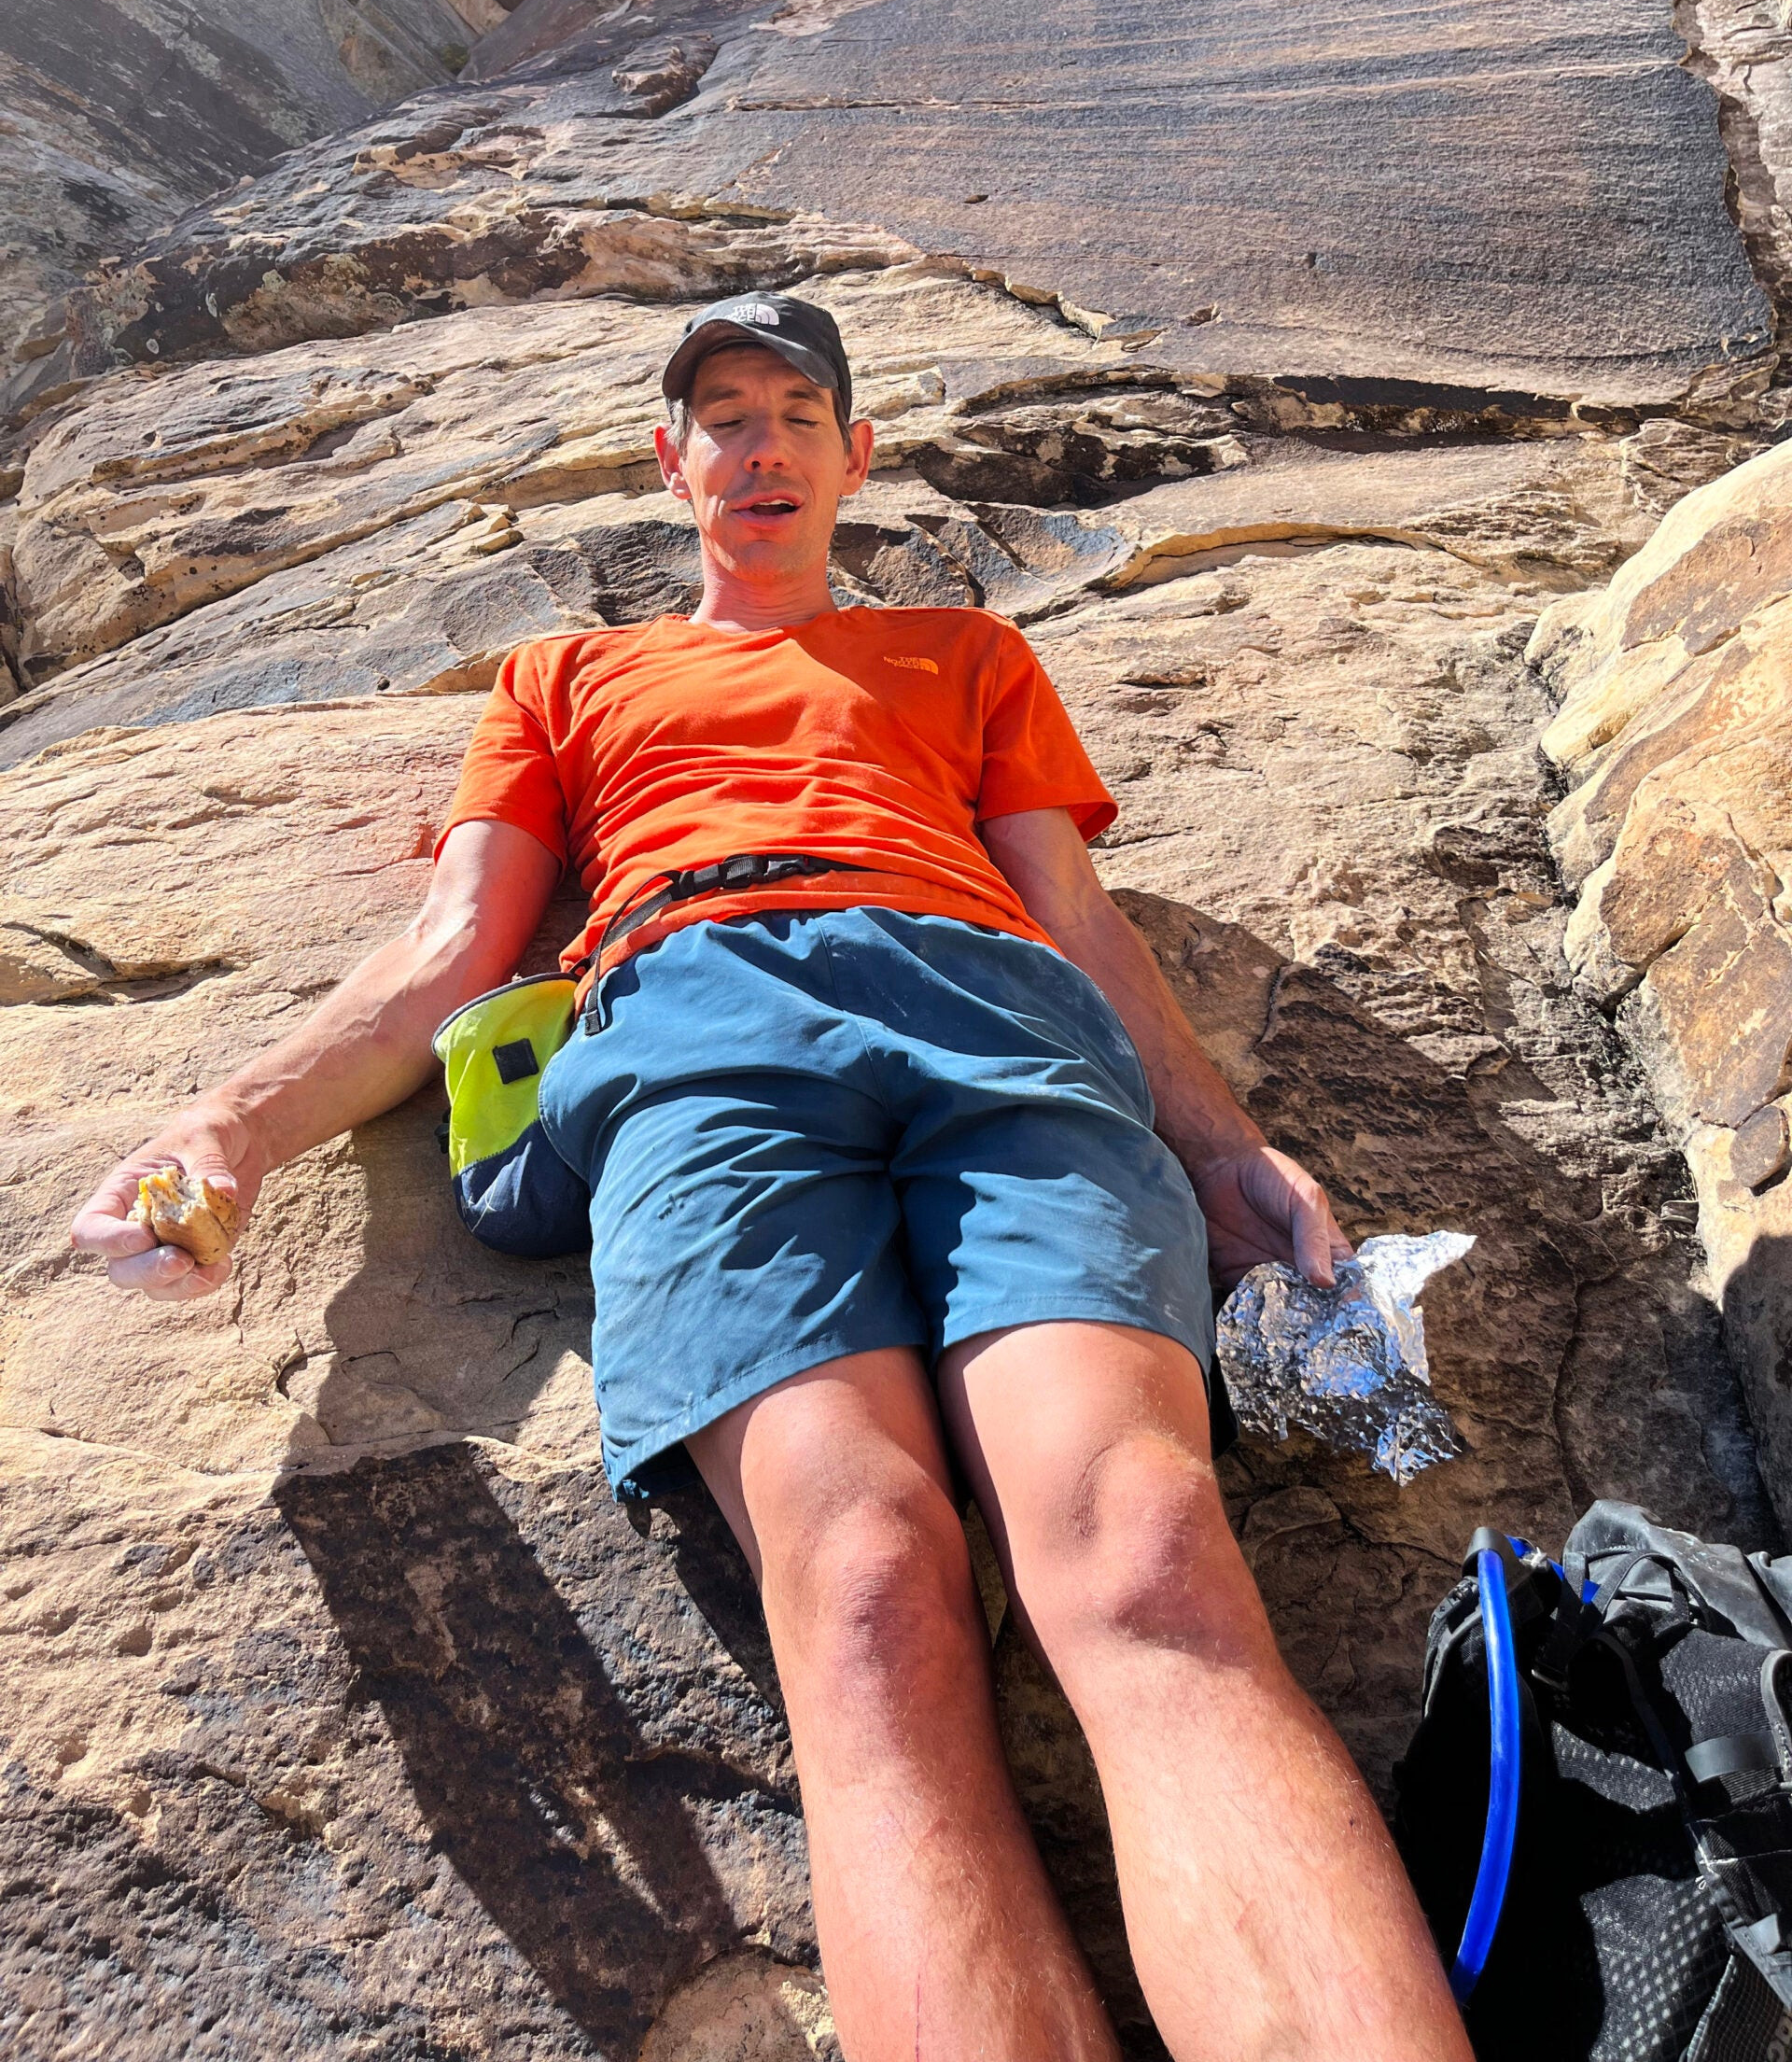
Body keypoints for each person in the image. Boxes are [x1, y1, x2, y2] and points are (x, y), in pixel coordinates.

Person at [74, 292, 1471, 2062]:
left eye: (799, 409)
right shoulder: (563, 680)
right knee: (869, 1598)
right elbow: (448, 959)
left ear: (854, 457)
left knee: (1143, 1550)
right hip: (692, 1029)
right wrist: (229, 1127)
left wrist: (1217, 1145)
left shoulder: (966, 654)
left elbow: (1076, 911)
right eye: (721, 414)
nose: (761, 441)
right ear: (674, 467)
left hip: (992, 1016)